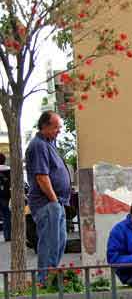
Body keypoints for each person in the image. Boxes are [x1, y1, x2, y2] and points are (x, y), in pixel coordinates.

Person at [25, 111, 71, 283]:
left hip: (56, 203)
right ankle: (44, 279)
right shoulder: (39, 146)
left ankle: (50, 277)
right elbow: (41, 177)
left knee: (59, 242)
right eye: (56, 127)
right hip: (47, 203)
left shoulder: (49, 143)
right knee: (50, 242)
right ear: (45, 126)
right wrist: (53, 200)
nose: (59, 130)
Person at [0, 153, 11, 242]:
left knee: (4, 216)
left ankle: (6, 235)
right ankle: (8, 235)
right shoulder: (8, 170)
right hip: (6, 196)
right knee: (7, 215)